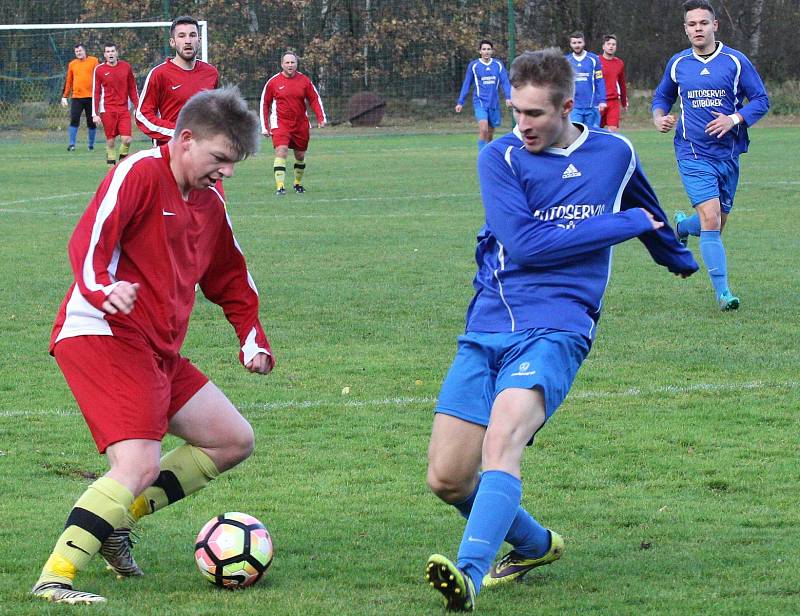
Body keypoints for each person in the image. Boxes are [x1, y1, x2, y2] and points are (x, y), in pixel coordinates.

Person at [424, 48, 698, 613]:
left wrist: (677, 257)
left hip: (560, 325)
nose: (521, 125)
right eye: (515, 112)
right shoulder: (499, 157)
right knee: (448, 479)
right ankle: (535, 544)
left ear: (568, 107)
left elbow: (646, 208)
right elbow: (526, 244)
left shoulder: (614, 152)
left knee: (503, 443)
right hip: (491, 320)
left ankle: (469, 577)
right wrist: (620, 226)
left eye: (534, 114)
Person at [31, 86, 274, 605]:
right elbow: (90, 238)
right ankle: (55, 577)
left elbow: (232, 276)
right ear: (186, 140)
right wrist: (102, 287)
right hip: (101, 331)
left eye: (234, 163)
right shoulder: (139, 172)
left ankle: (115, 525)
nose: (227, 171)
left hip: (155, 346)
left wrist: (251, 338)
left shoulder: (209, 204)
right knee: (138, 464)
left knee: (231, 439)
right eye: (220, 158)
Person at [652, 0, 769, 311]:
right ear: (686, 29)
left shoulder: (736, 61)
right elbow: (662, 95)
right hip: (692, 152)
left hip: (728, 154)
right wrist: (659, 116)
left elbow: (760, 100)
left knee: (716, 224)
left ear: (715, 25)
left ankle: (680, 228)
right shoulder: (678, 63)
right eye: (692, 24)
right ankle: (723, 293)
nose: (697, 29)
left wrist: (734, 119)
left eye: (703, 23)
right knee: (712, 220)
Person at [136, 15, 219, 146]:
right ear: (172, 42)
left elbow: (215, 111)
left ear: (199, 40)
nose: (188, 41)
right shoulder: (159, 74)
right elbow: (142, 116)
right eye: (181, 36)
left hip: (202, 152)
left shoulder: (211, 73)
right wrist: (177, 132)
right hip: (170, 152)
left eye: (192, 35)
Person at [259, 51, 327, 195]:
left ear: (296, 64)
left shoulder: (304, 81)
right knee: (281, 151)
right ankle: (280, 186)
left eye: (293, 62)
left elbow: (314, 99)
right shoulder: (273, 82)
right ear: (282, 64)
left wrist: (321, 118)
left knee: (300, 155)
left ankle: (297, 183)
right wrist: (265, 127)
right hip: (280, 123)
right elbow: (265, 104)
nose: (290, 65)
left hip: (300, 124)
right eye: (287, 62)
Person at [455, 39, 513, 151]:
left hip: (494, 103)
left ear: (492, 51)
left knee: (490, 134)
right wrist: (460, 102)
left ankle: (489, 155)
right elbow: (467, 84)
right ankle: (482, 155)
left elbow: (505, 81)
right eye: (484, 49)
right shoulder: (474, 66)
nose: (486, 51)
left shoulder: (498, 65)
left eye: (488, 49)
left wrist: (508, 97)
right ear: (479, 51)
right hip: (480, 102)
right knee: (483, 129)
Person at [92, 43, 139, 166]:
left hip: (123, 109)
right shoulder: (99, 69)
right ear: (104, 55)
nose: (110, 54)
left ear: (117, 53)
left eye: (112, 51)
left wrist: (137, 107)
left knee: (127, 139)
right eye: (108, 52)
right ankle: (111, 168)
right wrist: (94, 114)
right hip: (107, 110)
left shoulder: (126, 67)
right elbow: (96, 92)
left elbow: (132, 88)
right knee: (111, 142)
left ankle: (122, 164)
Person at [62, 43, 99, 152]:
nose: (79, 53)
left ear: (84, 51)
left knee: (91, 122)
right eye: (77, 51)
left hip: (91, 97)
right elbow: (69, 81)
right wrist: (64, 96)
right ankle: (72, 144)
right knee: (74, 119)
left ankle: (91, 145)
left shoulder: (94, 61)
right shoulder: (72, 64)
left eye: (80, 51)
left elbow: (100, 76)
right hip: (77, 97)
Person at [565, 32, 606, 127]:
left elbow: (599, 81)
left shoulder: (594, 59)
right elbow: (563, 83)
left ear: (584, 43)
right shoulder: (566, 61)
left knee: (592, 135)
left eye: (579, 42)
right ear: (570, 44)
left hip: (592, 105)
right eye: (574, 43)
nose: (577, 45)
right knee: (575, 134)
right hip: (574, 107)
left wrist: (602, 100)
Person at [599, 34, 628, 132]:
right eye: (608, 44)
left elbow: (622, 83)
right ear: (603, 46)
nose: (611, 46)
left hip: (614, 101)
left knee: (613, 130)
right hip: (599, 101)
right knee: (597, 130)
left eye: (613, 44)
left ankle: (610, 147)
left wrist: (624, 102)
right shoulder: (596, 61)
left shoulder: (619, 63)